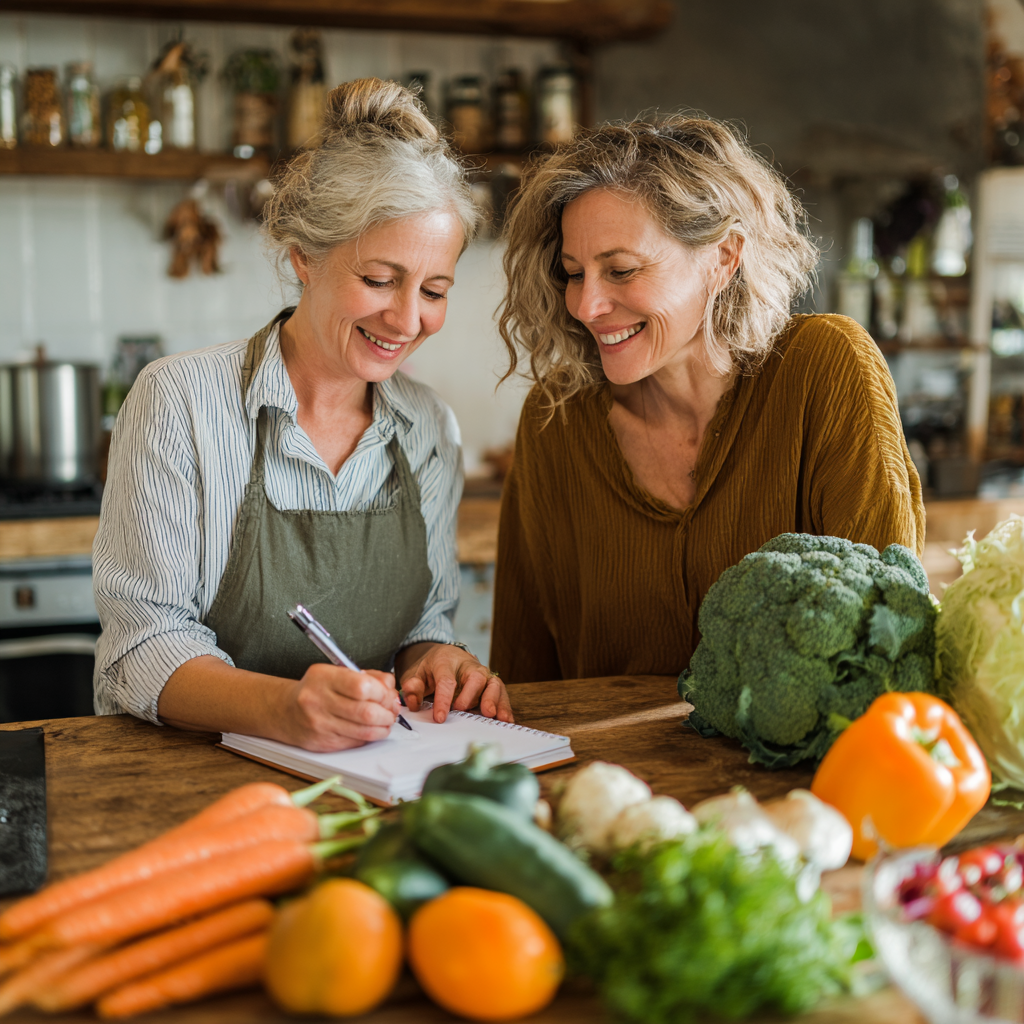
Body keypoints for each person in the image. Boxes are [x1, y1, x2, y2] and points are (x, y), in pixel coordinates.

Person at [93, 78, 512, 752]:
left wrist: (435, 659)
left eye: (434, 290)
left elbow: (422, 623)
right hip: (181, 777)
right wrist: (287, 710)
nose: (407, 320)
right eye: (379, 280)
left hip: (365, 779)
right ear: (304, 258)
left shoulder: (429, 428)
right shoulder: (180, 400)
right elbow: (141, 645)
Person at [491, 114, 924, 684]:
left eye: (621, 270)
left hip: (798, 774)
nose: (586, 305)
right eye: (573, 274)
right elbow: (522, 674)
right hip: (606, 774)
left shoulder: (826, 368)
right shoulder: (556, 418)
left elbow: (893, 635)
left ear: (723, 258)